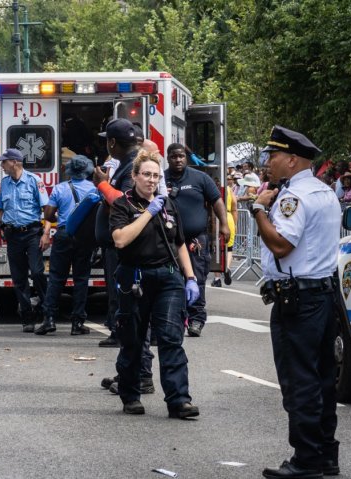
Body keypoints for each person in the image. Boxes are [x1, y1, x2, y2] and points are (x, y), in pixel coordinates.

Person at [251, 126, 340, 479]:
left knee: (299, 379)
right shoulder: (325, 192)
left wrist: (259, 209)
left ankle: (306, 459)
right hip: (322, 295)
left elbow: (281, 244)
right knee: (322, 378)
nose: (267, 163)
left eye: (272, 156)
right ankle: (326, 454)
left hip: (297, 300)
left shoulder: (293, 198)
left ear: (291, 159)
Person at [109, 150, 200, 418]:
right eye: (146, 175)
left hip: (168, 277)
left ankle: (178, 400)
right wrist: (148, 213)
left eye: (156, 176)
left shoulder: (168, 204)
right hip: (135, 278)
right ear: (134, 176)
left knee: (171, 339)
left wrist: (191, 278)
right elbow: (121, 240)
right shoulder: (122, 205)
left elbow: (180, 243)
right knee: (134, 341)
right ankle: (130, 395)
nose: (151, 180)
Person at [163, 143, 229, 337]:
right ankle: (175, 318)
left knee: (197, 279)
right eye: (174, 156)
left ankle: (196, 320)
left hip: (195, 240)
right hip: (169, 240)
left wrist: (224, 224)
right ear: (168, 158)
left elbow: (217, 201)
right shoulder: (161, 179)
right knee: (172, 280)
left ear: (186, 157)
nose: (178, 160)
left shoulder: (200, 178)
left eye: (181, 156)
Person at [35, 155, 97, 335]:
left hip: (63, 234)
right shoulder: (93, 189)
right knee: (81, 279)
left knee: (56, 278)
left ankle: (49, 319)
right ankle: (77, 323)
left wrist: (60, 219)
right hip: (85, 237)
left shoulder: (59, 188)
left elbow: (48, 215)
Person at [92, 118, 140, 348]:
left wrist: (102, 184)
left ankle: (121, 333)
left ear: (112, 143)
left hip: (122, 244)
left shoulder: (131, 167)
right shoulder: (126, 164)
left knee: (121, 290)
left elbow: (125, 203)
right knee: (118, 289)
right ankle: (119, 330)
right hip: (116, 242)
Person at [0, 148, 49, 333]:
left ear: (14, 162)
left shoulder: (34, 181)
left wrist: (46, 233)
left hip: (32, 233)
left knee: (37, 272)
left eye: (4, 162)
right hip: (13, 235)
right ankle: (27, 317)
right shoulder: (5, 183)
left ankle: (47, 311)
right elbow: (0, 208)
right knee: (19, 279)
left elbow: (47, 210)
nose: (1, 165)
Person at [211, 180, 237, 288]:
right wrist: (235, 224)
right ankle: (227, 268)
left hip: (216, 216)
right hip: (229, 217)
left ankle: (217, 279)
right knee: (229, 248)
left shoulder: (212, 188)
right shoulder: (229, 190)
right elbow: (234, 207)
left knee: (217, 249)